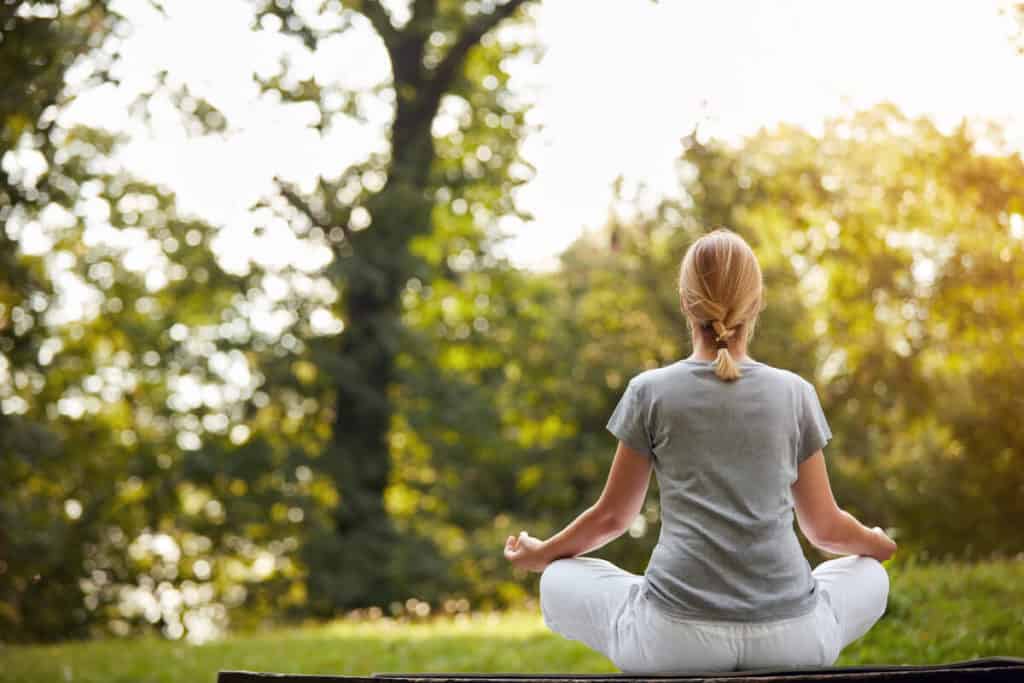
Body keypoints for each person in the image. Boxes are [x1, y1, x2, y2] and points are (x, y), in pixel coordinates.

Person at [503, 227, 897, 674]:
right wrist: (874, 542)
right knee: (869, 576)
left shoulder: (650, 392)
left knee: (558, 578)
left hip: (673, 642)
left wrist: (542, 554)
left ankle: (635, 604)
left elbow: (613, 519)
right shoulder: (795, 393)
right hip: (793, 640)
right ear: (757, 302)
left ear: (686, 302)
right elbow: (825, 529)